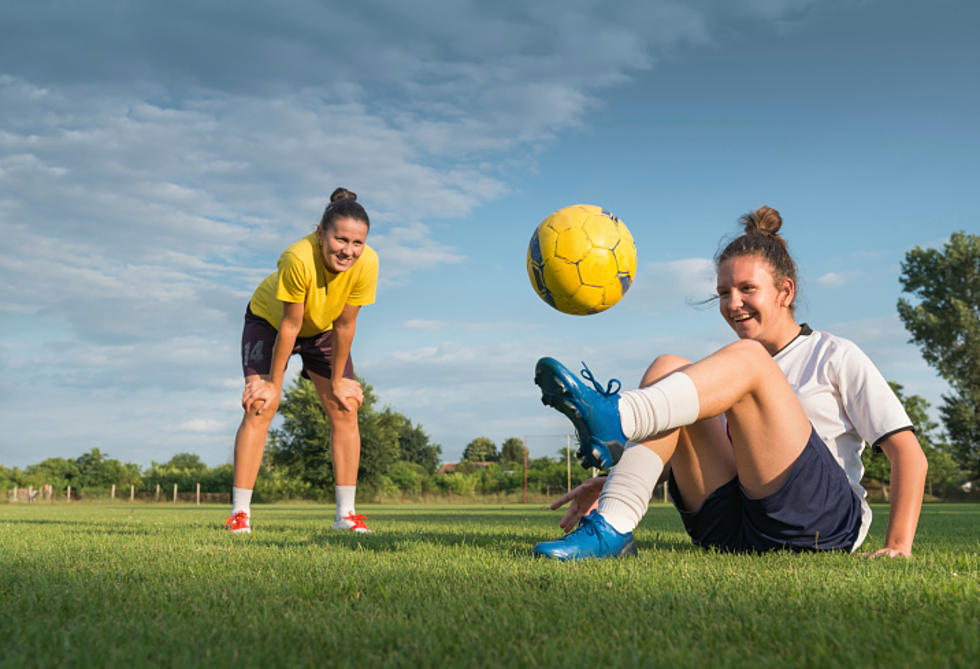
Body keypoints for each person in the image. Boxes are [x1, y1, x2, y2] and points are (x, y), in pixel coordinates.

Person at [532, 206, 927, 559]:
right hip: (733, 526)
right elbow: (677, 457)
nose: (732, 303)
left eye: (747, 289)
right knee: (670, 367)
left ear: (785, 291)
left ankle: (620, 414)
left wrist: (898, 544)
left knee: (749, 361)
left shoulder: (834, 354)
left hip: (816, 527)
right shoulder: (728, 369)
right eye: (724, 292)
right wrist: (610, 483)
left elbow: (908, 453)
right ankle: (613, 526)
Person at [224, 187, 379, 534]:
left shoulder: (368, 262)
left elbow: (346, 323)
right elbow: (290, 325)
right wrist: (271, 385)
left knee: (346, 405)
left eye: (358, 243)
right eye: (340, 240)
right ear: (320, 233)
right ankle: (240, 514)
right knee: (261, 405)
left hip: (323, 327)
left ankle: (346, 516)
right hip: (270, 322)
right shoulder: (298, 258)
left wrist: (338, 380)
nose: (349, 251)